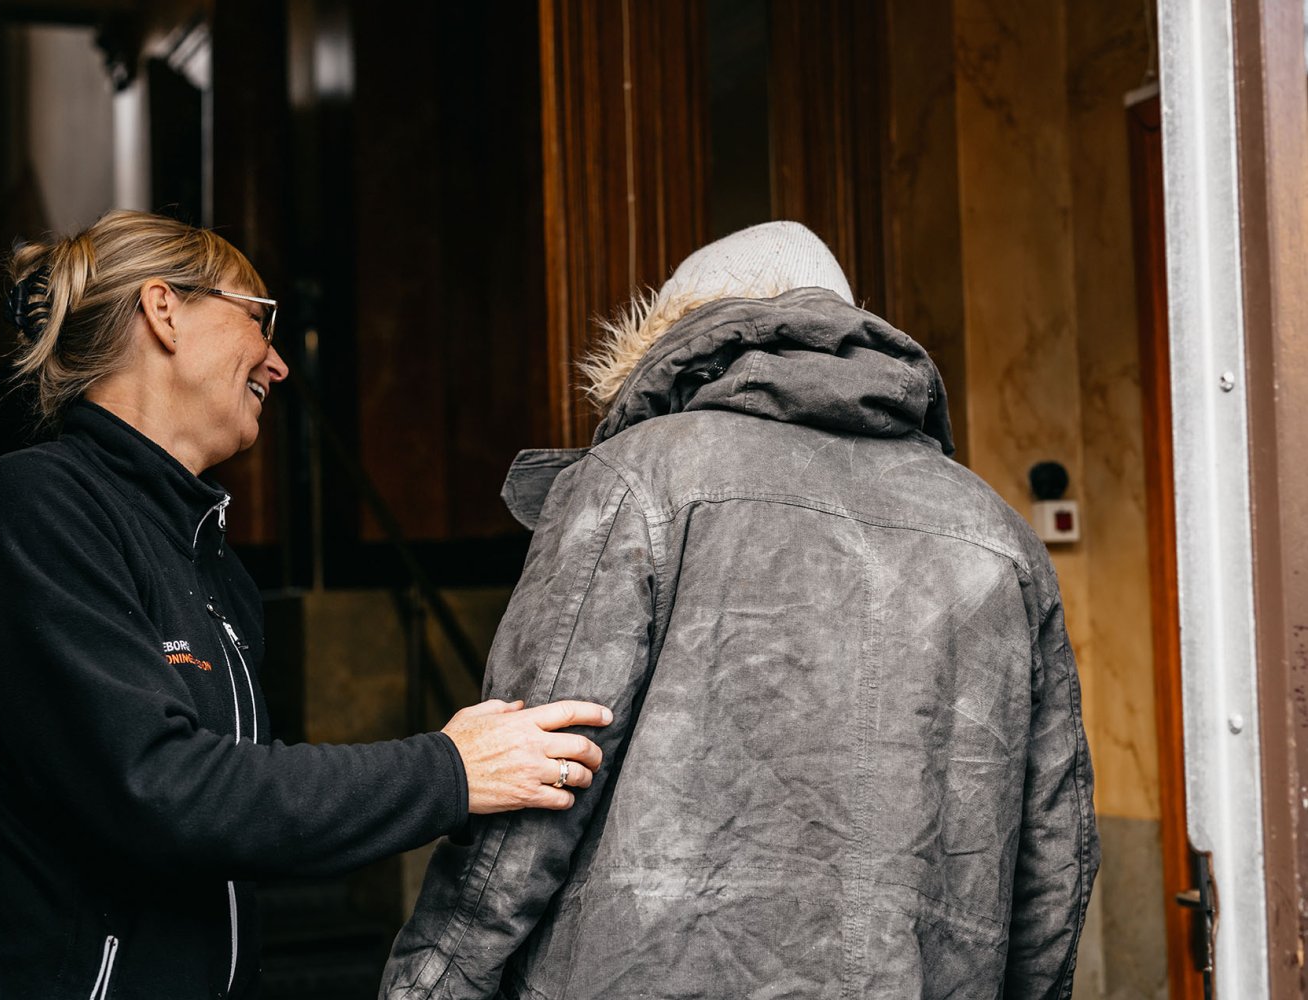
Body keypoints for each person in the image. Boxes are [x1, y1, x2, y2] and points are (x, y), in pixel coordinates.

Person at [382, 222, 1099, 999]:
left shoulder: (636, 480)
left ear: (683, 336)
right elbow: (1053, 858)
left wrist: (429, 986)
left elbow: (534, 792)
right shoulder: (997, 534)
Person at [0, 209, 612, 1000]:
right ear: (163, 311)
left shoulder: (211, 558)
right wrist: (451, 769)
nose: (279, 364)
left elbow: (247, 811)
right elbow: (162, 788)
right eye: (260, 319)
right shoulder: (42, 506)